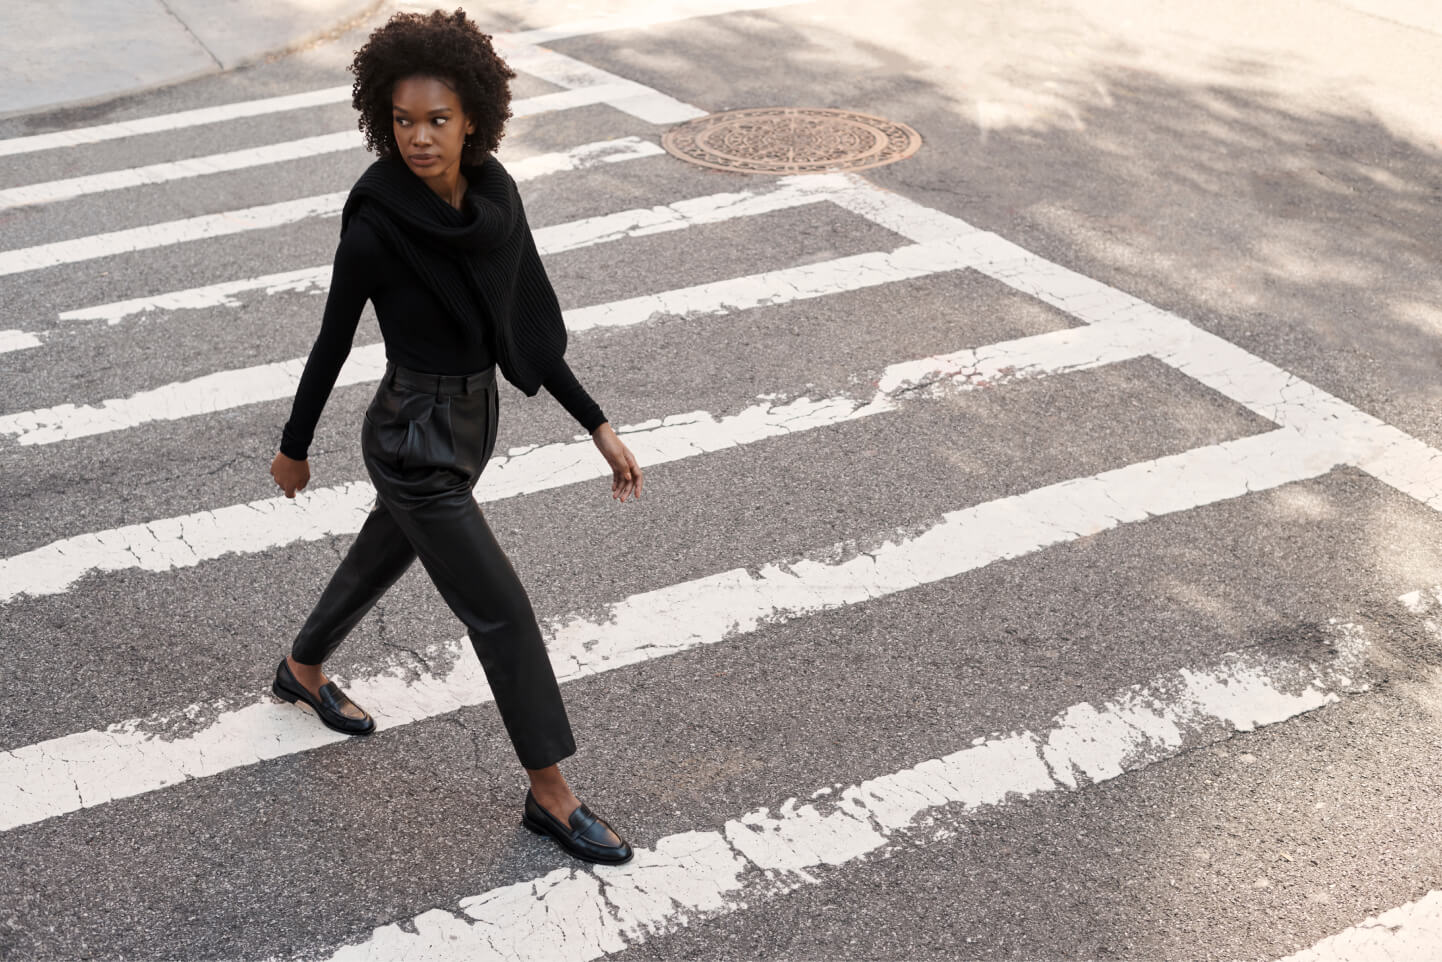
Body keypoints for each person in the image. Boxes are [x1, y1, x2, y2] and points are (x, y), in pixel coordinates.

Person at [267, 8, 641, 866]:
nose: (419, 139)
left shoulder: (495, 199)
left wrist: (596, 423)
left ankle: (301, 668)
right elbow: (331, 339)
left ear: (473, 116)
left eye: (437, 119)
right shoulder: (376, 226)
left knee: (381, 554)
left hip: (472, 424)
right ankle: (551, 795)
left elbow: (524, 325)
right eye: (402, 121)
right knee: (502, 611)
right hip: (412, 436)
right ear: (380, 118)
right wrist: (295, 445)